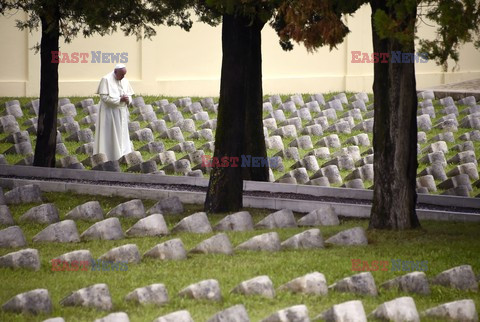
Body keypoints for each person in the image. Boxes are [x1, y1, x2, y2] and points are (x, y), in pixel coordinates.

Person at [93, 63, 134, 161]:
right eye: (121, 75)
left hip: (122, 112)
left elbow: (130, 95)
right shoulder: (106, 79)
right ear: (115, 71)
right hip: (109, 113)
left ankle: (123, 154)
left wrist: (127, 99)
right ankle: (110, 156)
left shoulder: (125, 80)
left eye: (124, 75)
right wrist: (120, 99)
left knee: (122, 134)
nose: (123, 77)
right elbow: (104, 98)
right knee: (109, 135)